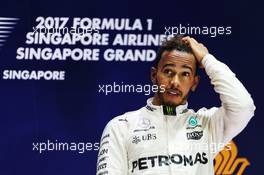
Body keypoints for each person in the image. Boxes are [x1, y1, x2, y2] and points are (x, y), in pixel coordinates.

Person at [96, 35, 256, 175]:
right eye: (168, 72)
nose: (175, 82)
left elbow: (244, 106)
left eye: (185, 74)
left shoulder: (208, 124)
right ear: (154, 75)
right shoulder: (121, 127)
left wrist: (207, 59)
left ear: (194, 83)